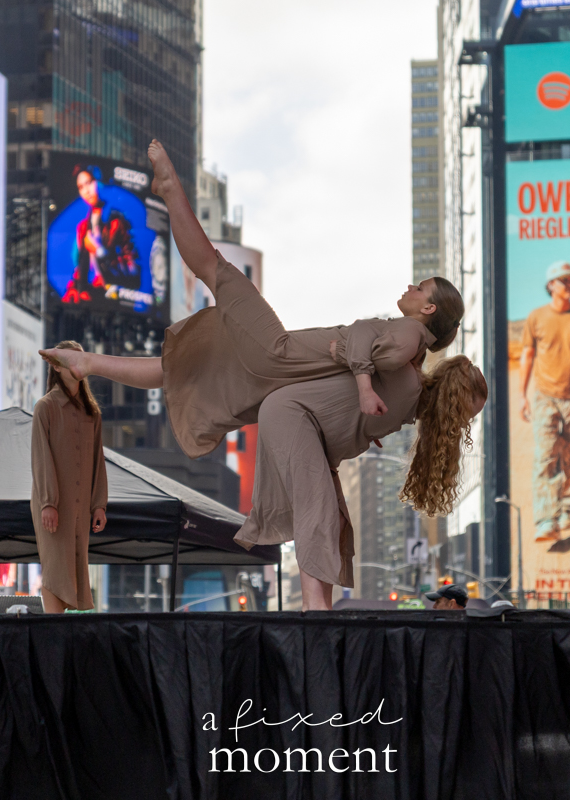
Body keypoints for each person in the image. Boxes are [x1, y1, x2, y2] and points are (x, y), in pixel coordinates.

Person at [42, 140, 482, 610]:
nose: (412, 287)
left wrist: (360, 386)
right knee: (189, 375)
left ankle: (170, 193)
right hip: (287, 392)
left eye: (421, 288)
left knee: (215, 274)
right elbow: (362, 359)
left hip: (282, 360)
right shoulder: (409, 386)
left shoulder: (411, 339)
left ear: (429, 309)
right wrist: (362, 400)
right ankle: (89, 362)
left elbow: (358, 337)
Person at [238, 355, 487, 610]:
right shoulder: (409, 383)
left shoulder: (412, 404)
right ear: (452, 399)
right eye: (464, 415)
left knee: (337, 521)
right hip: (294, 417)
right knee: (319, 515)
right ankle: (314, 609)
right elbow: (365, 340)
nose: (462, 425)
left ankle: (321, 607)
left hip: (310, 432)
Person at [519, 261, 570, 543]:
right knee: (545, 457)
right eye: (564, 280)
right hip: (545, 397)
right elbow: (527, 356)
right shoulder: (536, 318)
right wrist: (522, 395)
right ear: (551, 285)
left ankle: (567, 507)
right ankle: (546, 520)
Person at [30, 340, 108, 613]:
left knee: (76, 563)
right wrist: (48, 503)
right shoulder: (45, 407)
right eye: (72, 360)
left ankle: (63, 633)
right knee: (54, 568)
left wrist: (99, 504)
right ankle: (53, 629)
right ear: (57, 366)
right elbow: (41, 459)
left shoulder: (92, 413)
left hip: (81, 506)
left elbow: (99, 460)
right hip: (54, 505)